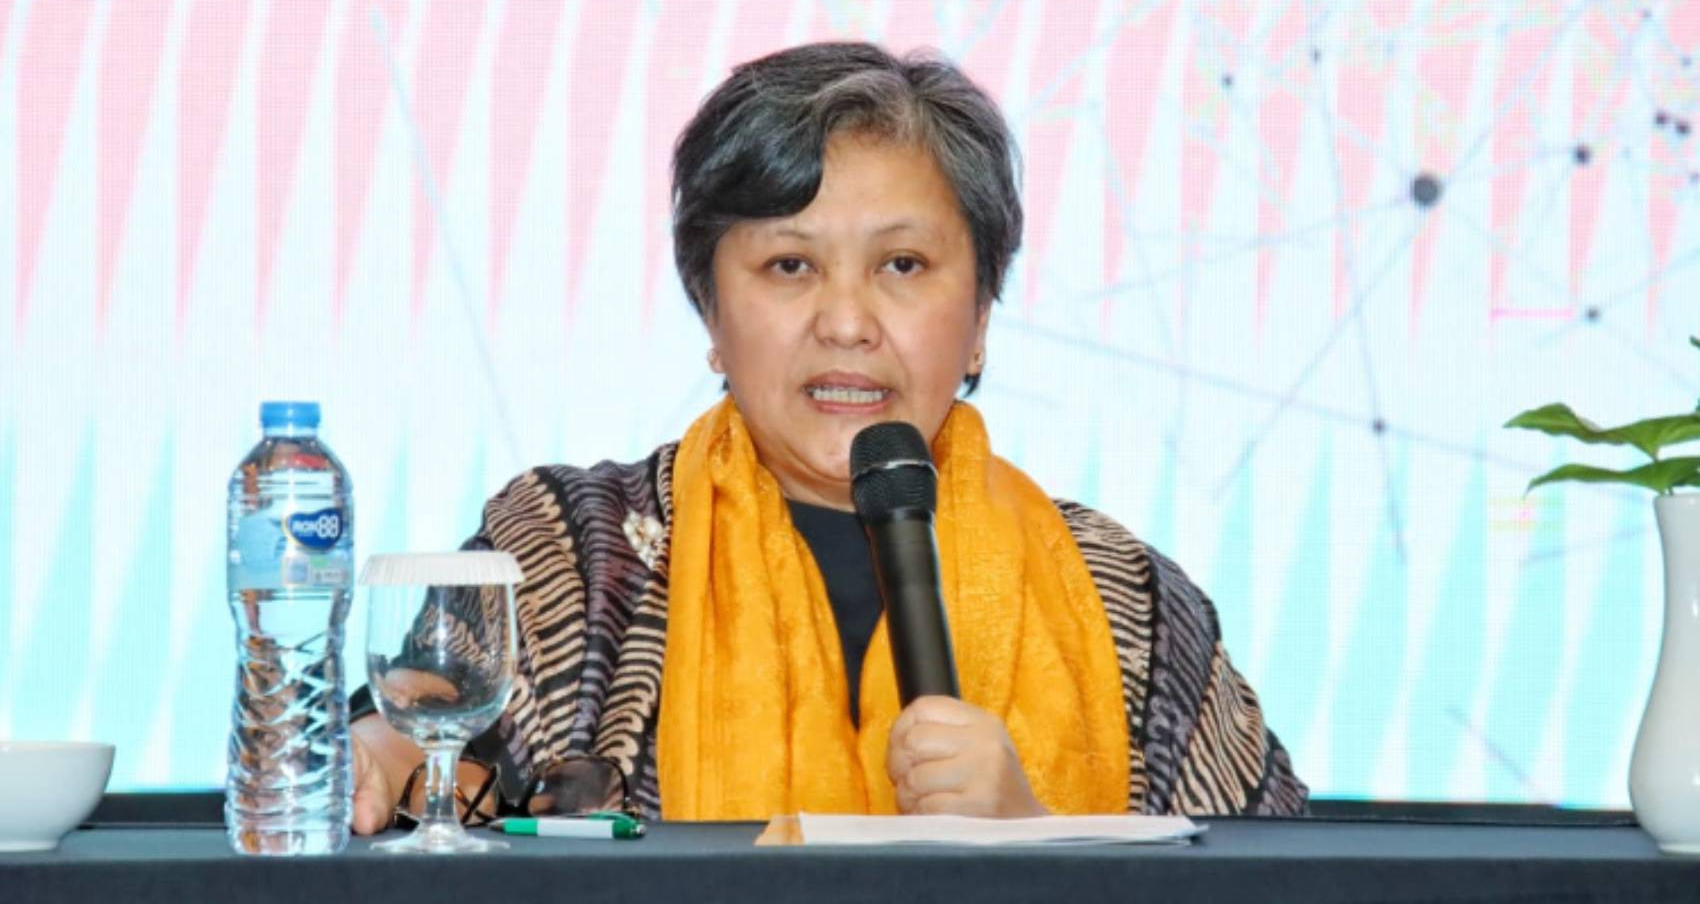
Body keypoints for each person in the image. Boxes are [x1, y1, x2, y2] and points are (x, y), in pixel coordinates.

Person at [349, 42, 1306, 831]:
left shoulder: (1124, 602)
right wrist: (375, 754)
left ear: (980, 316)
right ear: (711, 311)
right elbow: (415, 748)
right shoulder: (575, 555)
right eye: (790, 265)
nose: (846, 322)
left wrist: (1042, 840)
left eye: (903, 264)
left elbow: (1294, 878)